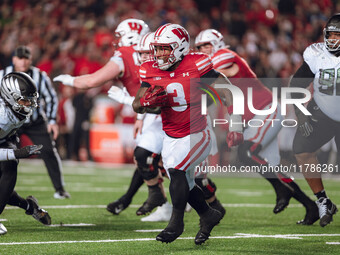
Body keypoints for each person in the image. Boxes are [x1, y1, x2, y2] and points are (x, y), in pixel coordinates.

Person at [132, 23, 242, 245]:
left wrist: (236, 125)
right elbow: (137, 104)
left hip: (198, 132)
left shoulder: (197, 63)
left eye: (166, 48)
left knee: (177, 170)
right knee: (185, 183)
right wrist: (146, 103)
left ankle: (176, 223)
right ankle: (208, 214)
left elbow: (230, 92)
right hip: (170, 136)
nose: (160, 54)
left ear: (180, 47)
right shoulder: (149, 69)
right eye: (158, 48)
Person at [195, 28, 319, 225]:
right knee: (271, 168)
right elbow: (211, 93)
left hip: (265, 109)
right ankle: (310, 206)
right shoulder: (212, 65)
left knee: (247, 153)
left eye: (206, 45)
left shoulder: (224, 55)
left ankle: (282, 191)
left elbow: (206, 76)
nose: (203, 50)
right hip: (256, 116)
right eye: (199, 47)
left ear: (217, 44)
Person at [53, 19, 169, 215]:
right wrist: (140, 117)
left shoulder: (125, 54)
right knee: (149, 158)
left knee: (161, 160)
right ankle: (158, 204)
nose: (118, 41)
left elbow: (92, 81)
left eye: (120, 35)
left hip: (157, 111)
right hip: (155, 110)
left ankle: (194, 202)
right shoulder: (158, 50)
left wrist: (70, 80)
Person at [0, 45, 70, 199]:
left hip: (35, 121)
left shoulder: (39, 76)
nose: (23, 61)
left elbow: (51, 98)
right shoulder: (3, 75)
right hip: (10, 124)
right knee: (8, 162)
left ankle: (59, 188)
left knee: (48, 151)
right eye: (20, 58)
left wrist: (52, 120)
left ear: (30, 59)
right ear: (14, 59)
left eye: (26, 58)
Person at [290, 13, 340, 227]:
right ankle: (323, 201)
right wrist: (301, 116)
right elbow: (295, 87)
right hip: (324, 112)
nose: (333, 39)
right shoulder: (316, 54)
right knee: (301, 149)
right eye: (331, 34)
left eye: (338, 35)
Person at [0, 72, 51, 235]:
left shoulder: (13, 109)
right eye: (24, 100)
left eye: (30, 99)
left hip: (6, 137)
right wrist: (17, 153)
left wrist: (14, 154)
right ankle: (30, 206)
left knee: (10, 168)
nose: (29, 104)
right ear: (9, 96)